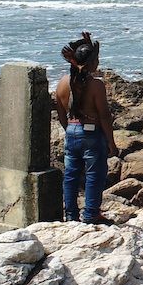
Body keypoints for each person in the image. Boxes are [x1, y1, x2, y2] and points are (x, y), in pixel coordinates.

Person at [53, 31, 119, 224]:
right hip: (91, 133)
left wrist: (70, 129)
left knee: (71, 175)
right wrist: (111, 143)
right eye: (97, 59)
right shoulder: (95, 85)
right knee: (94, 175)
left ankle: (71, 215)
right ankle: (91, 214)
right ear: (91, 63)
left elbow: (61, 112)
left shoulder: (63, 82)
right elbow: (105, 116)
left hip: (72, 132)